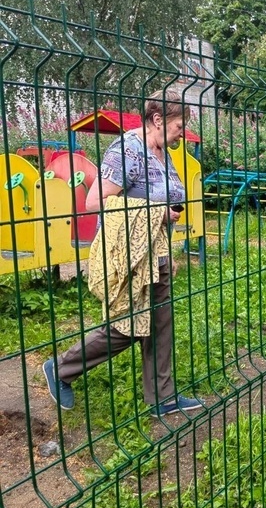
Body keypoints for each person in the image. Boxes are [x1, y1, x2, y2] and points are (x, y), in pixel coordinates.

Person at [43, 90, 204, 417]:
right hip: (128, 255)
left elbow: (164, 203)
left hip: (154, 253)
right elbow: (96, 202)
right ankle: (61, 369)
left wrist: (167, 250)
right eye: (177, 125)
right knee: (128, 326)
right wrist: (155, 212)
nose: (180, 133)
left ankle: (162, 398)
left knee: (161, 324)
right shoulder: (128, 150)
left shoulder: (163, 152)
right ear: (157, 119)